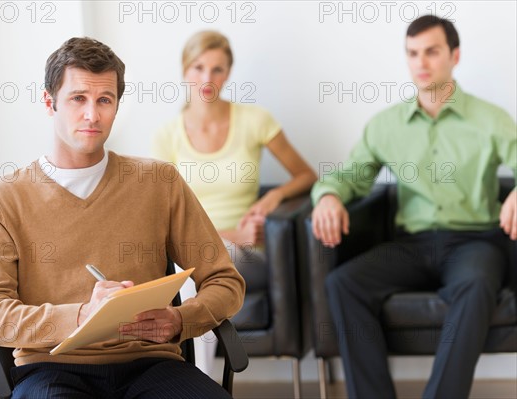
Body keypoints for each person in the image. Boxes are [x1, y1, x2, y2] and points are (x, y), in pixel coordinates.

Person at [0, 37, 245, 399]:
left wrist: (182, 319)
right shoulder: (2, 198)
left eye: (105, 100)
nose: (92, 115)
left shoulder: (159, 183)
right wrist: (83, 316)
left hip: (151, 365)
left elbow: (226, 281)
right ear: (49, 102)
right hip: (51, 370)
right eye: (78, 99)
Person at [311, 15, 516, 399]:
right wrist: (327, 195)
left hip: (475, 243)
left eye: (432, 52)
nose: (421, 63)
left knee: (475, 282)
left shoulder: (491, 120)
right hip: (413, 245)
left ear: (455, 55)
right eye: (412, 53)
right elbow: (350, 174)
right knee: (343, 282)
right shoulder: (385, 126)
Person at [152, 29, 316, 304]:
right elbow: (162, 221)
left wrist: (274, 196)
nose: (207, 79)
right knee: (189, 270)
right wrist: (228, 235)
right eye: (199, 67)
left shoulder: (255, 120)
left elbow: (307, 175)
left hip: (246, 253)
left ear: (227, 73)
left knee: (193, 272)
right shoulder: (166, 136)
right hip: (192, 253)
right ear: (185, 70)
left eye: (217, 69)